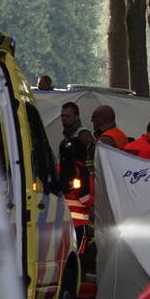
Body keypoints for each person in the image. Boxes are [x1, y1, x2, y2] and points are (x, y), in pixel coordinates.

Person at [58, 101, 94, 246]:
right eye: (62, 116)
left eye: (67, 116)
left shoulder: (83, 136)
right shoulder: (67, 137)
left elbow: (89, 163)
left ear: (77, 117)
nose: (64, 119)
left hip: (83, 191)